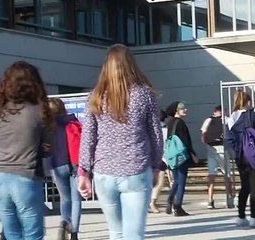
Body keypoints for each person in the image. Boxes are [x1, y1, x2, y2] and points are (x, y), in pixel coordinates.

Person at [77, 44, 163, 240]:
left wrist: (83, 171)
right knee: (133, 234)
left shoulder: (96, 96)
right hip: (136, 169)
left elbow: (88, 137)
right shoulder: (144, 94)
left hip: (103, 172)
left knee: (116, 232)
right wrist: (156, 166)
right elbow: (156, 135)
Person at [0, 61, 53, 240]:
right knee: (33, 235)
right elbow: (48, 149)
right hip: (27, 177)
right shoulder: (40, 110)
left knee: (12, 235)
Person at [225, 90, 255, 228]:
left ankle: (241, 215)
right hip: (254, 154)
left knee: (245, 186)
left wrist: (238, 151)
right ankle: (254, 217)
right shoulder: (252, 115)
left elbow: (228, 139)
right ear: (248, 101)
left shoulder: (231, 118)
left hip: (240, 157)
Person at [48, 98, 82, 240]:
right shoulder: (73, 122)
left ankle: (64, 221)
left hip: (57, 165)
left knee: (65, 198)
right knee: (76, 200)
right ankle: (74, 233)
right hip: (75, 164)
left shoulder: (47, 126)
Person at [165, 101, 199, 216]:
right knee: (182, 181)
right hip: (182, 157)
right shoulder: (181, 124)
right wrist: (193, 154)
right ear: (176, 111)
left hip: (172, 156)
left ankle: (170, 200)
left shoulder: (170, 124)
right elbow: (186, 141)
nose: (185, 110)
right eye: (182, 108)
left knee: (176, 180)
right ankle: (177, 206)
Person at [201, 105, 234, 209]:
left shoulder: (224, 120)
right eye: (219, 111)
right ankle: (213, 199)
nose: (220, 113)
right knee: (217, 174)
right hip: (215, 148)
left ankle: (227, 198)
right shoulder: (212, 120)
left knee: (224, 174)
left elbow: (203, 133)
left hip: (219, 148)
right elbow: (203, 133)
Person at [149, 110, 170, 213]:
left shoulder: (149, 128)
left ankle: (150, 202)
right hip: (162, 157)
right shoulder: (166, 129)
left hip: (148, 156)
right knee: (160, 180)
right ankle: (153, 202)